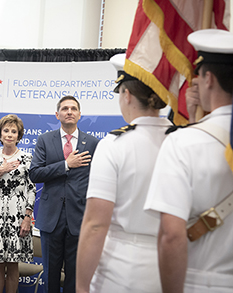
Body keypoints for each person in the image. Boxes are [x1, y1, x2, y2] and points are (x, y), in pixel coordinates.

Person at [144, 29, 233, 293]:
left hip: (204, 283)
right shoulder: (192, 136)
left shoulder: (183, 143)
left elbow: (171, 235)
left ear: (208, 79)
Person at [76, 53, 172, 293]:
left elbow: (96, 225)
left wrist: (80, 285)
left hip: (123, 269)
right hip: (176, 265)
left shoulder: (114, 144)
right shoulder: (183, 140)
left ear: (126, 95)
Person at [29, 95, 99, 293]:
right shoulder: (44, 140)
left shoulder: (93, 143)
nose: (69, 112)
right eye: (65, 108)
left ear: (79, 114)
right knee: (50, 273)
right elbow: (35, 173)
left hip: (79, 217)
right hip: (51, 218)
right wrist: (66, 165)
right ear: (57, 114)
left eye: (73, 108)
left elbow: (97, 180)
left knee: (74, 274)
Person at [0, 114, 36, 293]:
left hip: (19, 217)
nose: (10, 134)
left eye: (14, 131)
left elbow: (31, 189)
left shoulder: (27, 158)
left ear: (19, 136)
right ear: (0, 134)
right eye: (6, 131)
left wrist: (27, 217)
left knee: (13, 267)